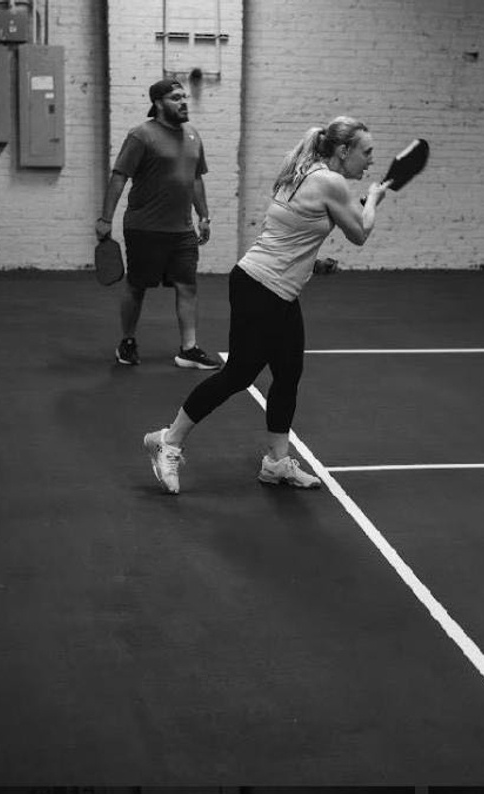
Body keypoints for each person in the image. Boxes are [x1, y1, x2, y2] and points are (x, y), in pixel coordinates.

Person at [141, 116, 390, 494]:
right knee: (238, 375)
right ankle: (168, 440)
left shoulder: (307, 172)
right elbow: (359, 233)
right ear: (343, 150)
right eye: (366, 152)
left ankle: (275, 463)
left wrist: (313, 263)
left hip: (275, 289)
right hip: (261, 288)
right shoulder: (330, 181)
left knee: (288, 373)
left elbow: (287, 232)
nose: (370, 161)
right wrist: (372, 199)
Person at [95, 79, 222, 370]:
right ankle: (127, 342)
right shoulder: (142, 135)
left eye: (184, 97)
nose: (183, 101)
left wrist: (204, 216)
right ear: (158, 103)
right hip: (145, 227)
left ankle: (189, 349)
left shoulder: (192, 135)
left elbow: (195, 179)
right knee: (137, 286)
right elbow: (119, 176)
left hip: (182, 230)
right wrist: (105, 219)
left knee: (187, 286)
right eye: (176, 97)